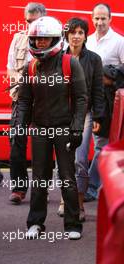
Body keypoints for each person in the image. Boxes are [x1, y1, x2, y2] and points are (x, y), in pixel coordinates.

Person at [16, 16, 88, 240]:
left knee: (67, 177)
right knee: (39, 178)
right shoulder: (30, 67)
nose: (40, 43)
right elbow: (25, 101)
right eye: (37, 39)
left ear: (55, 39)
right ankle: (35, 223)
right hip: (39, 129)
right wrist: (19, 124)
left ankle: (72, 225)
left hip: (63, 128)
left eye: (45, 39)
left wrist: (76, 128)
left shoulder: (70, 63)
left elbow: (81, 98)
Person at [57, 18, 104, 221]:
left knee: (80, 159)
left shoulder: (94, 59)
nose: (76, 36)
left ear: (85, 35)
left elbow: (98, 91)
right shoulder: (57, 57)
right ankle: (64, 200)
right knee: (62, 161)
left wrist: (98, 116)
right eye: (73, 32)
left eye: (81, 32)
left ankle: (79, 202)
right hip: (60, 115)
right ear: (66, 35)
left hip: (84, 114)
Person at [7, 2, 46, 204]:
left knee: (44, 145)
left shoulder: (56, 38)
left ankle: (42, 190)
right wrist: (21, 80)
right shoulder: (18, 38)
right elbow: (10, 69)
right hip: (21, 97)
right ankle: (18, 189)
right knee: (16, 140)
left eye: (34, 21)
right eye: (27, 21)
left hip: (46, 100)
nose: (29, 25)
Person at [85, 3, 124, 201]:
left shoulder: (119, 42)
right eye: (97, 18)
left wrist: (108, 76)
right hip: (85, 101)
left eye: (103, 18)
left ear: (110, 19)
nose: (100, 22)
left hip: (107, 103)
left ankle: (91, 188)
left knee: (101, 145)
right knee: (81, 148)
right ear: (92, 19)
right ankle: (84, 187)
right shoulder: (87, 41)